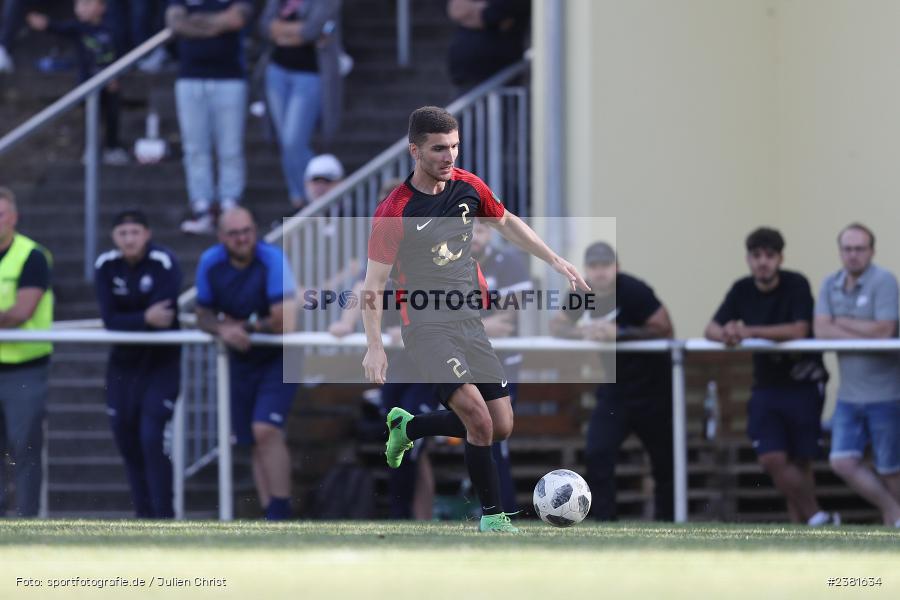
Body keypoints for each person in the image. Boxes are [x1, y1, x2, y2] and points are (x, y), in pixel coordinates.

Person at [363, 106, 588, 533]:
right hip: (426, 328)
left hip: (470, 323)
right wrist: (374, 346)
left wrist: (554, 259)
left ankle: (409, 426)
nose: (449, 156)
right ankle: (493, 517)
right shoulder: (395, 211)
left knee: (501, 425)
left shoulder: (468, 186)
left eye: (454, 146)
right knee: (479, 420)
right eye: (438, 149)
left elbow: (506, 223)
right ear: (415, 151)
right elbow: (372, 285)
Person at [704, 227, 836, 526]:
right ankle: (818, 517)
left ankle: (804, 528)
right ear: (748, 259)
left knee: (800, 460)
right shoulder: (741, 289)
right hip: (766, 385)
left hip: (804, 381)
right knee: (771, 458)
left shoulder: (796, 284)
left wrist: (748, 331)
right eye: (756, 255)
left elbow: (799, 330)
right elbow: (711, 329)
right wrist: (727, 333)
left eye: (769, 255)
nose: (763, 262)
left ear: (780, 258)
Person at [550, 242, 675, 522]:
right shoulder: (582, 292)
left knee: (664, 461)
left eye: (605, 265)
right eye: (594, 266)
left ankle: (668, 522)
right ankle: (605, 522)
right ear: (586, 270)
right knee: (597, 452)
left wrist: (620, 332)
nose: (600, 272)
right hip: (614, 390)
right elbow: (557, 326)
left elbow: (664, 328)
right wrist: (584, 332)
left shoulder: (634, 290)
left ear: (617, 267)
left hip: (653, 389)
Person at [195, 207, 298, 520]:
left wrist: (244, 327)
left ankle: (281, 512)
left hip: (280, 356)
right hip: (241, 358)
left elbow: (285, 320)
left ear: (255, 230)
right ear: (221, 236)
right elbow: (203, 314)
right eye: (234, 233)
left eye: (247, 231)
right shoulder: (210, 262)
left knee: (265, 429)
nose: (242, 238)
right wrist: (222, 328)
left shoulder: (272, 259)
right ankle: (270, 516)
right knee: (252, 440)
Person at [94, 209, 181, 518]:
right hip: (122, 365)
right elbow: (110, 319)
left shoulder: (164, 262)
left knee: (151, 438)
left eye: (135, 232)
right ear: (114, 237)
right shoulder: (105, 265)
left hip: (161, 364)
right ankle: (143, 517)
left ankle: (164, 516)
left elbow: (164, 315)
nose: (129, 239)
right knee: (126, 438)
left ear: (147, 234)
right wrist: (144, 317)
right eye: (123, 233)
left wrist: (130, 320)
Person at [814, 223, 900, 527]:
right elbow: (821, 330)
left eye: (860, 249)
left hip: (886, 395)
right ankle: (893, 512)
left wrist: (840, 322)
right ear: (840, 252)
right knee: (842, 461)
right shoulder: (830, 283)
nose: (853, 255)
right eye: (847, 249)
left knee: (890, 469)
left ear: (872, 251)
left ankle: (894, 523)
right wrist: (861, 327)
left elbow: (885, 330)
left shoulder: (884, 281)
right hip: (848, 396)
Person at [166, 0, 253, 234]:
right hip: (190, 78)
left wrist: (195, 22)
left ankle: (230, 203)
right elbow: (176, 23)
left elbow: (237, 19)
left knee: (230, 147)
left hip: (229, 78)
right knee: (194, 148)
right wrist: (218, 23)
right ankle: (202, 206)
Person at [259, 0, 344, 211]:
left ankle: (313, 199)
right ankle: (299, 198)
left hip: (309, 74)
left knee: (293, 141)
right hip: (277, 71)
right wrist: (295, 33)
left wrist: (282, 32)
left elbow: (311, 30)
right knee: (286, 142)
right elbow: (265, 25)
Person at [0, 187, 53, 517]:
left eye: (0, 214)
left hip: (24, 368)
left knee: (25, 447)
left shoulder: (32, 255)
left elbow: (22, 312)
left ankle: (27, 518)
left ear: (14, 218)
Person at [27, 0, 129, 165]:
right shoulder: (78, 28)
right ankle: (91, 149)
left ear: (102, 7)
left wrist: (116, 76)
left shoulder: (112, 28)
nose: (81, 9)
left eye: (87, 4)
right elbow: (58, 27)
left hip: (110, 84)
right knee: (91, 118)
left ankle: (112, 147)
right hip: (87, 84)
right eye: (78, 4)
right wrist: (45, 24)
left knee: (112, 115)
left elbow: (121, 54)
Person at [446, 0, 530, 93]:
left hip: (500, 80)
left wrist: (471, 11)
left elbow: (490, 16)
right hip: (465, 80)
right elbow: (456, 10)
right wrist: (481, 8)